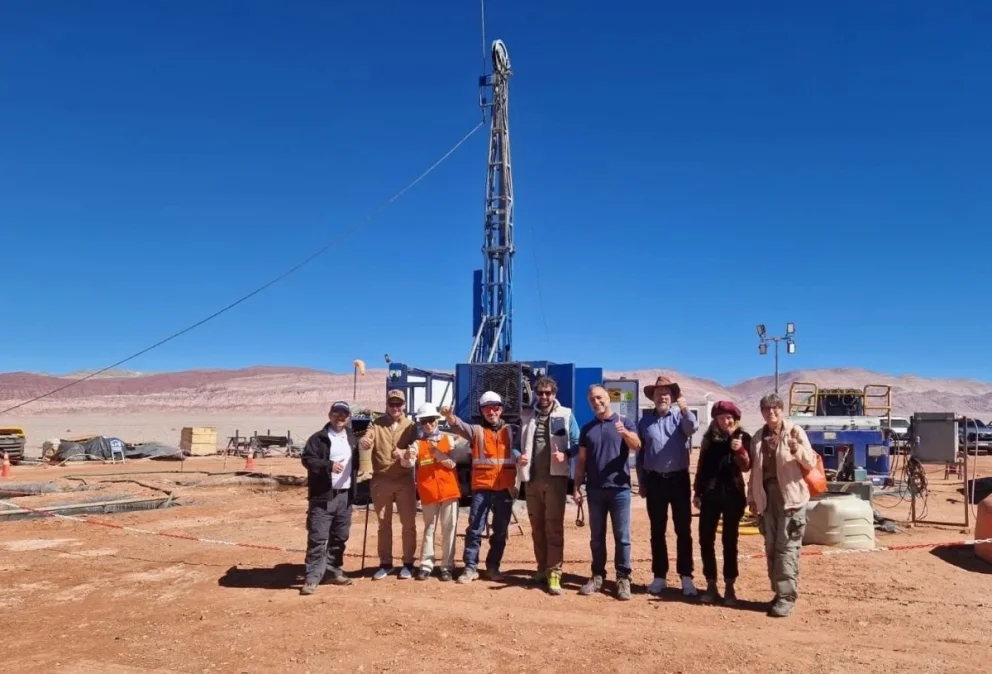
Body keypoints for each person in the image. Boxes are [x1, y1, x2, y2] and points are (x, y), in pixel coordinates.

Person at [440, 391, 521, 584]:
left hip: (504, 488)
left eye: (495, 408)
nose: (491, 412)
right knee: (475, 529)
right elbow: (460, 427)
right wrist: (450, 417)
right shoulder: (476, 431)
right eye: (487, 408)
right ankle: (470, 568)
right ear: (482, 411)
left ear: (501, 409)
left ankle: (493, 567)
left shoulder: (512, 430)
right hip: (482, 488)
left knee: (500, 531)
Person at [748, 392, 817, 618]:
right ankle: (779, 592)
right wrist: (752, 498)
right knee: (771, 548)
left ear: (782, 409)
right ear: (762, 412)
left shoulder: (795, 432)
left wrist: (797, 449)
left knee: (786, 548)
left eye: (775, 408)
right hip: (767, 499)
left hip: (791, 499)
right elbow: (755, 472)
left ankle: (787, 597)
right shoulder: (758, 436)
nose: (772, 412)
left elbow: (810, 462)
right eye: (767, 409)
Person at [574, 384, 641, 600]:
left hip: (619, 490)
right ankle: (597, 575)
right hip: (595, 490)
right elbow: (581, 460)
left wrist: (625, 433)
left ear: (607, 398)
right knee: (596, 537)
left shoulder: (624, 423)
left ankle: (623, 578)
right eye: (592, 399)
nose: (597, 402)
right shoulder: (587, 429)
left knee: (622, 537)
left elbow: (637, 445)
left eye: (600, 398)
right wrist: (576, 486)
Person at [516, 376, 580, 595]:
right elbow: (516, 445)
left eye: (548, 393)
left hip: (556, 480)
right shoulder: (527, 415)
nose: (544, 397)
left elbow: (578, 442)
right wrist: (518, 457)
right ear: (535, 393)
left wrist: (566, 454)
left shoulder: (566, 414)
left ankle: (554, 572)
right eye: (540, 392)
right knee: (537, 528)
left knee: (553, 527)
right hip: (532, 481)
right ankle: (541, 568)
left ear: (555, 393)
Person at [636, 375, 699, 596]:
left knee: (683, 530)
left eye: (666, 393)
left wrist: (685, 409)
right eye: (658, 393)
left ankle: (686, 578)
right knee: (657, 531)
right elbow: (641, 454)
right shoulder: (644, 422)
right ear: (652, 397)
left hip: (679, 480)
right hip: (654, 481)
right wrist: (642, 481)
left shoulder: (680, 417)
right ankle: (659, 576)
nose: (662, 396)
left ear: (672, 397)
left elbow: (692, 428)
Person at [693, 400, 751, 605]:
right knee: (706, 540)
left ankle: (729, 587)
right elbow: (701, 467)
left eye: (728, 417)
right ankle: (710, 584)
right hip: (710, 495)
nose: (725, 421)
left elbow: (746, 467)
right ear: (715, 420)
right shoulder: (709, 439)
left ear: (734, 419)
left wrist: (740, 450)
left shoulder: (743, 437)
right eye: (720, 417)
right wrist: (697, 492)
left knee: (730, 542)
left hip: (733, 496)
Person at [299, 401, 360, 595]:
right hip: (324, 496)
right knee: (318, 537)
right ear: (329, 414)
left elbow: (361, 458)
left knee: (340, 536)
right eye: (336, 413)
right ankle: (313, 577)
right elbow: (307, 459)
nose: (340, 417)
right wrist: (328, 465)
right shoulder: (319, 438)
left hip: (346, 495)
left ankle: (333, 571)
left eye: (344, 414)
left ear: (349, 417)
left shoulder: (352, 438)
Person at [359, 389, 419, 580]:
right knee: (384, 524)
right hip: (381, 480)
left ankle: (408, 563)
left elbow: (416, 448)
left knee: (408, 523)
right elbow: (367, 439)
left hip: (404, 480)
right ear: (387, 405)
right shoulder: (376, 424)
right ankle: (386, 564)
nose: (395, 408)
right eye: (392, 404)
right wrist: (364, 443)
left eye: (398, 404)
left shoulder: (411, 426)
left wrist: (405, 452)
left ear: (404, 406)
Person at [411, 402, 461, 582]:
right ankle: (426, 564)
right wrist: (405, 456)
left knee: (449, 529)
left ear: (437, 421)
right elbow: (409, 462)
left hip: (448, 491)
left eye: (431, 420)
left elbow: (453, 463)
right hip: (428, 492)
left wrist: (438, 453)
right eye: (424, 421)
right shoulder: (417, 444)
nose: (428, 424)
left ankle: (447, 565)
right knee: (429, 529)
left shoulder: (448, 440)